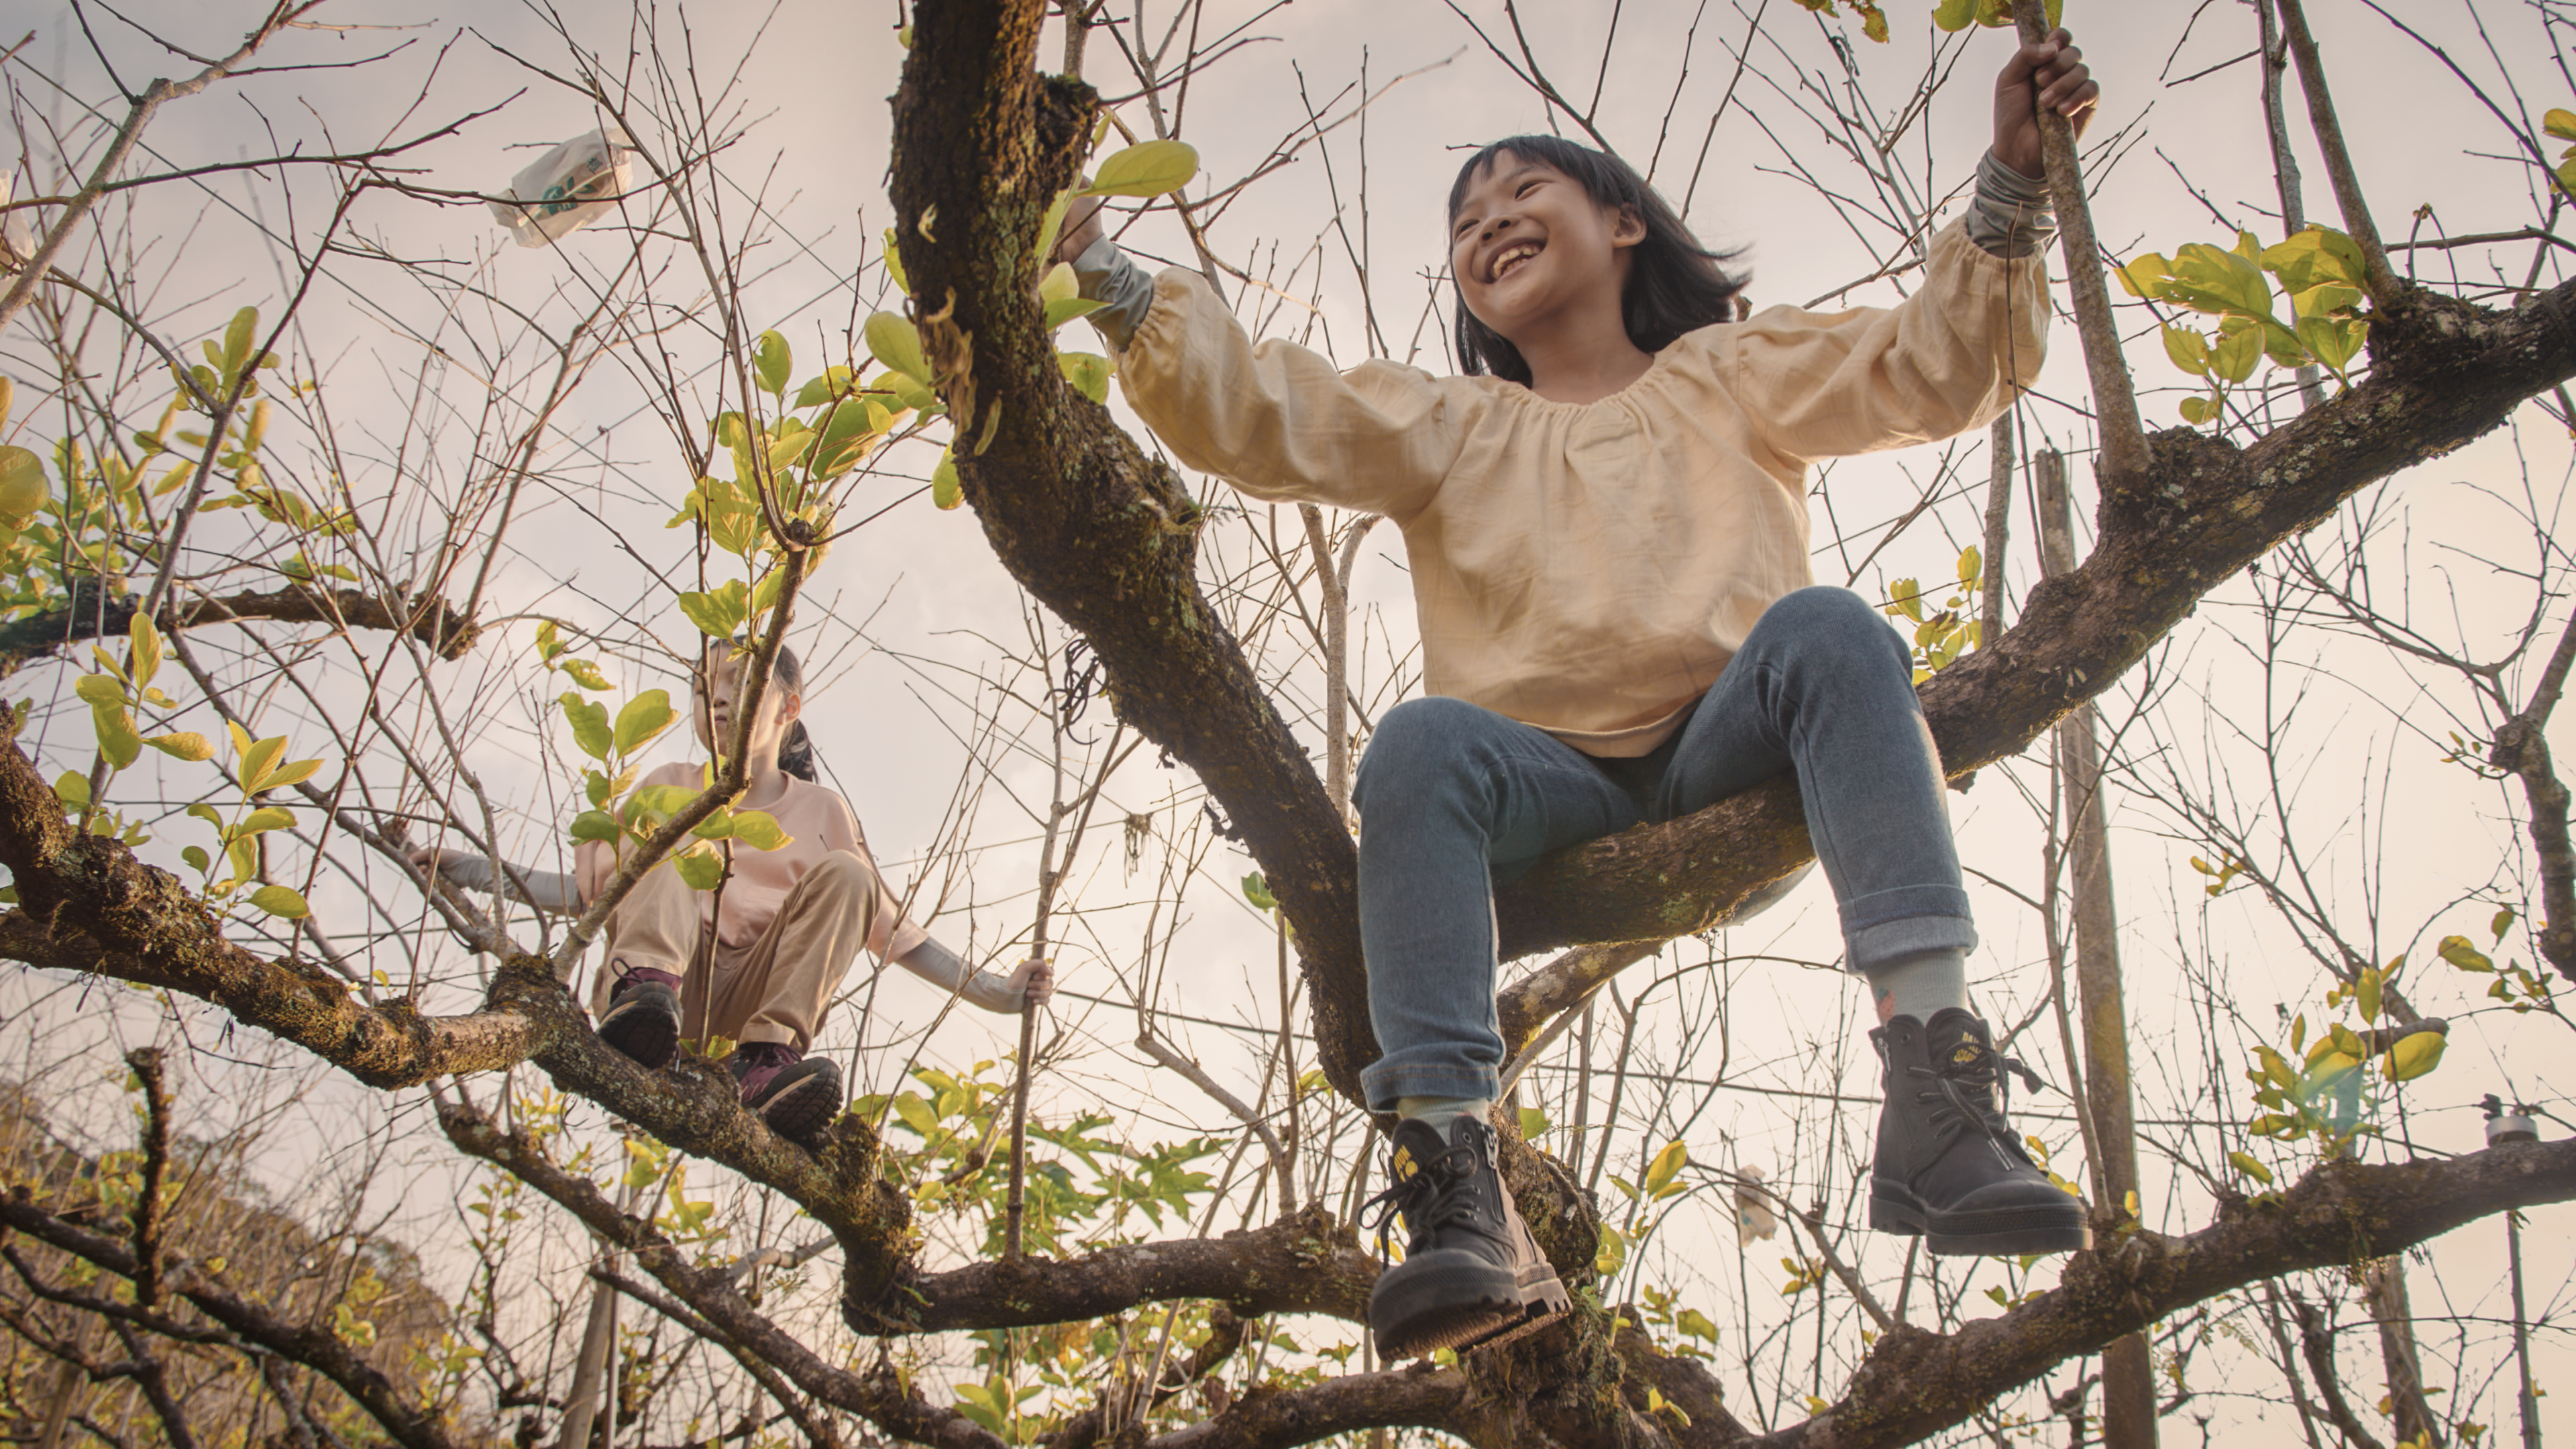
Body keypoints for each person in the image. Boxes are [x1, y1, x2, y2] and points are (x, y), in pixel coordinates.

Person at [1055, 32, 2102, 1358]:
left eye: (1520, 193)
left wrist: (2012, 189)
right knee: (1421, 742)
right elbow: (1262, 411)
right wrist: (1099, 266)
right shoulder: (1454, 427)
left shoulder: (1729, 372)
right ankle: (1453, 1181)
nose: (1489, 222)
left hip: (1733, 751)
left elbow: (1937, 367)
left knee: (1834, 630)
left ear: (1620, 223)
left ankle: (1937, 1084)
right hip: (1541, 793)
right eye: (1466, 221)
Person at [414, 641, 1051, 1145]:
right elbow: (589, 895)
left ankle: (765, 1062)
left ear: (788, 708)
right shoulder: (667, 784)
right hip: (662, 983)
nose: (716, 702)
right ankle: (642, 997)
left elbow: (897, 933)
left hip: (744, 1007)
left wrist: (1000, 993)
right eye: (702, 689)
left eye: (739, 687)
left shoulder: (822, 810)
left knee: (850, 875)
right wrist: (465, 868)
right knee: (675, 825)